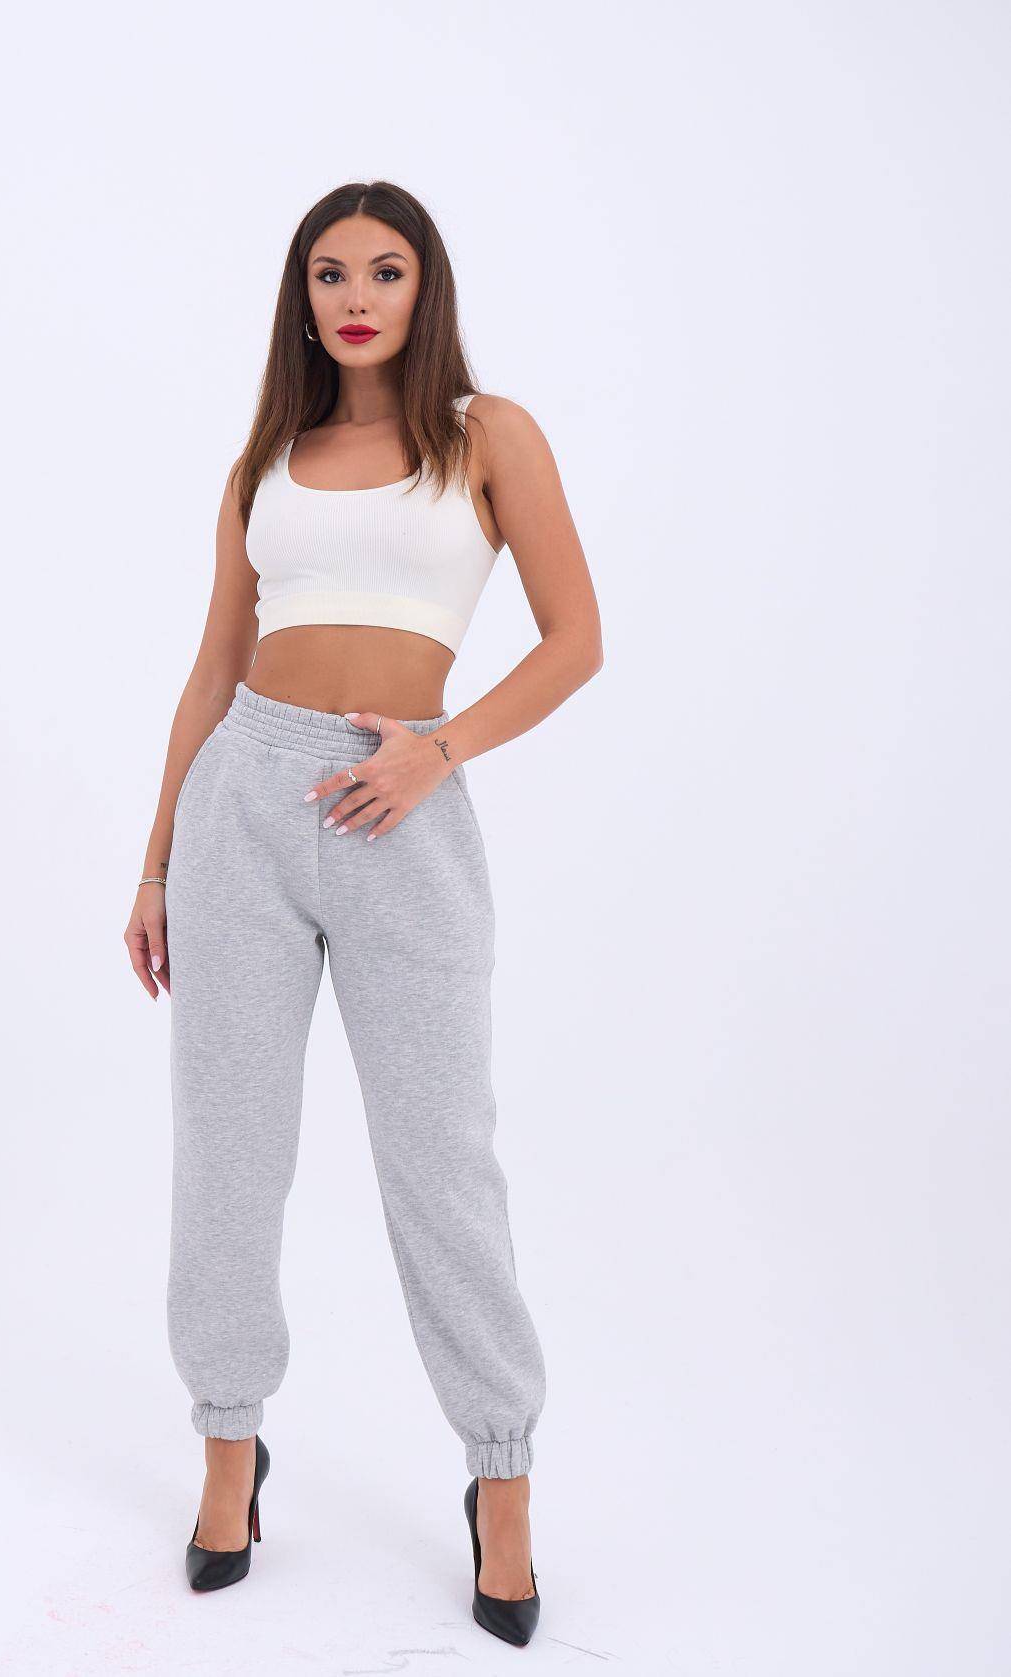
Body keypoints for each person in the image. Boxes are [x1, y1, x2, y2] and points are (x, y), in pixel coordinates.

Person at [124, 180, 603, 1646]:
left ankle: (500, 1477)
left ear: (423, 288)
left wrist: (437, 749)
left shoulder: (486, 435)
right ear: (302, 296)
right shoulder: (264, 459)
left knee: (442, 1163)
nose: (355, 296)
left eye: (385, 271)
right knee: (229, 1154)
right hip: (244, 805)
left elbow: (575, 640)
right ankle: (228, 1450)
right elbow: (213, 665)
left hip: (404, 804)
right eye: (329, 273)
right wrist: (154, 864)